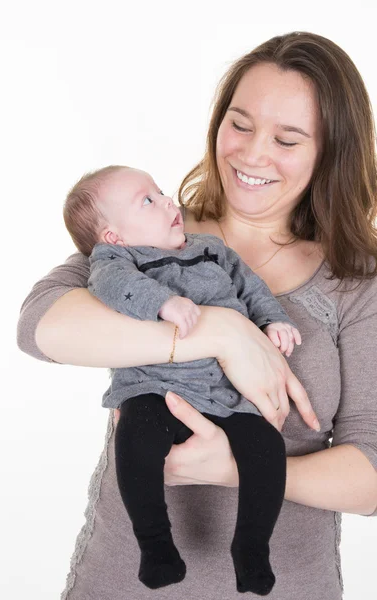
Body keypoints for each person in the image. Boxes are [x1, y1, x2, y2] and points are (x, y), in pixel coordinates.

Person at [17, 31, 377, 600]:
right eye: (239, 124)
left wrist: (232, 467)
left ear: (331, 151)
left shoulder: (356, 284)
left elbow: (373, 477)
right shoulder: (152, 235)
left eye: (286, 139)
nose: (252, 154)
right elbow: (42, 326)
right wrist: (224, 332)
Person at [63, 164, 305, 593]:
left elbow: (251, 288)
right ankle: (155, 545)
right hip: (152, 387)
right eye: (148, 201)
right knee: (136, 438)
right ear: (114, 236)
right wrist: (164, 304)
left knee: (266, 447)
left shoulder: (212, 250)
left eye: (159, 191)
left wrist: (273, 321)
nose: (167, 202)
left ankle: (251, 548)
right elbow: (111, 285)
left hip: (222, 393)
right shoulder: (118, 258)